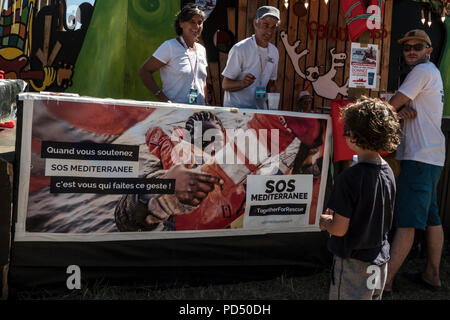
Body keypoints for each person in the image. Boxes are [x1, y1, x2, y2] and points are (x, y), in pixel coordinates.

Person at [319, 97, 401, 300]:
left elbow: (339, 228)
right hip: (380, 261)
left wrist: (325, 222)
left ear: (353, 135)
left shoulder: (349, 178)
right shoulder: (388, 171)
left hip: (353, 263)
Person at [384, 29, 446, 295]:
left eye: (417, 47)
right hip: (432, 157)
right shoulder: (431, 72)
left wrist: (395, 108)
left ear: (428, 50)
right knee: (431, 217)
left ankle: (384, 284)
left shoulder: (421, 72)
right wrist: (398, 108)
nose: (411, 51)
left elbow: (388, 107)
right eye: (407, 47)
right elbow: (399, 105)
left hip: (419, 157)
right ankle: (432, 274)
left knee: (407, 221)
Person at [138, 4, 208, 105]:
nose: (196, 26)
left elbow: (202, 81)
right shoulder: (169, 46)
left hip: (198, 113)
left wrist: (206, 106)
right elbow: (144, 71)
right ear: (181, 24)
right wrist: (164, 100)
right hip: (175, 113)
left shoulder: (202, 50)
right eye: (192, 22)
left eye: (200, 22)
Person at [221, 6, 280, 109]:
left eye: (273, 27)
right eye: (265, 25)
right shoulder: (240, 49)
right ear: (255, 24)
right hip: (236, 111)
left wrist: (272, 90)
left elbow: (271, 83)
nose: (269, 32)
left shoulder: (274, 51)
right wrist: (242, 83)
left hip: (259, 111)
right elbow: (225, 85)